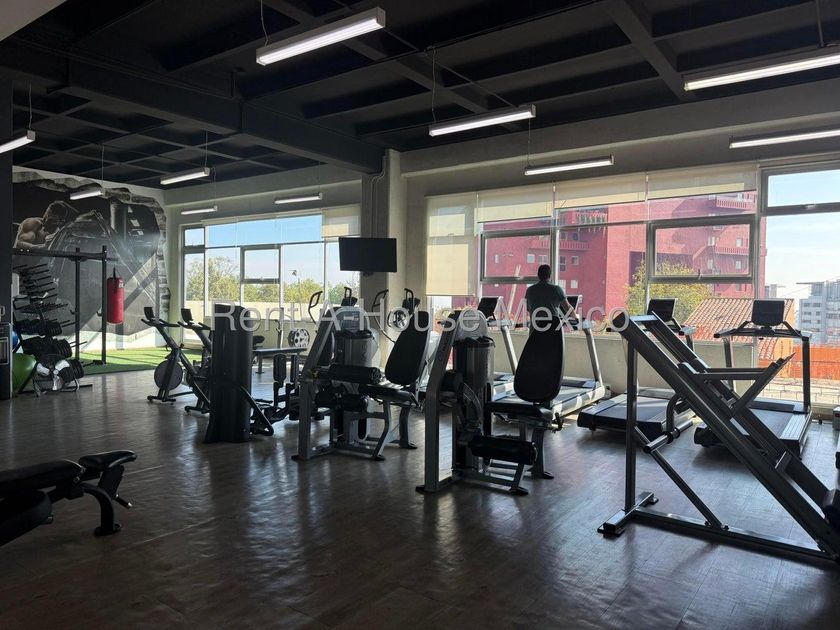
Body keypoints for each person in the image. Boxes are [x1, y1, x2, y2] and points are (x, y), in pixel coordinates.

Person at [14, 201, 78, 249]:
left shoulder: (58, 234)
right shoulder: (33, 223)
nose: (45, 221)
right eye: (45, 217)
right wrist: (42, 247)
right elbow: (19, 244)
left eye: (51, 220)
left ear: (61, 222)